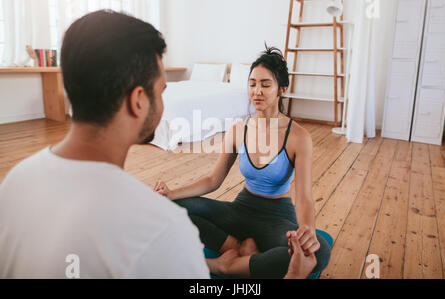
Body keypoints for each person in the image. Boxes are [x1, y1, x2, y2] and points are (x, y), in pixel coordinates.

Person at [0, 10, 209, 279]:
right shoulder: (162, 228)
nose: (163, 103)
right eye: (161, 92)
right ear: (138, 101)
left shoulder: (14, 182)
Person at [155, 46, 331, 279]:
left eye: (265, 84)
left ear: (282, 90)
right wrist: (170, 194)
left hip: (276, 217)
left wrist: (307, 228)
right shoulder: (238, 129)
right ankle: (236, 247)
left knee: (319, 252)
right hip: (240, 210)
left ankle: (220, 265)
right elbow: (213, 180)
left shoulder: (299, 137)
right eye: (252, 83)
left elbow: (305, 198)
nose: (257, 91)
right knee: (173, 206)